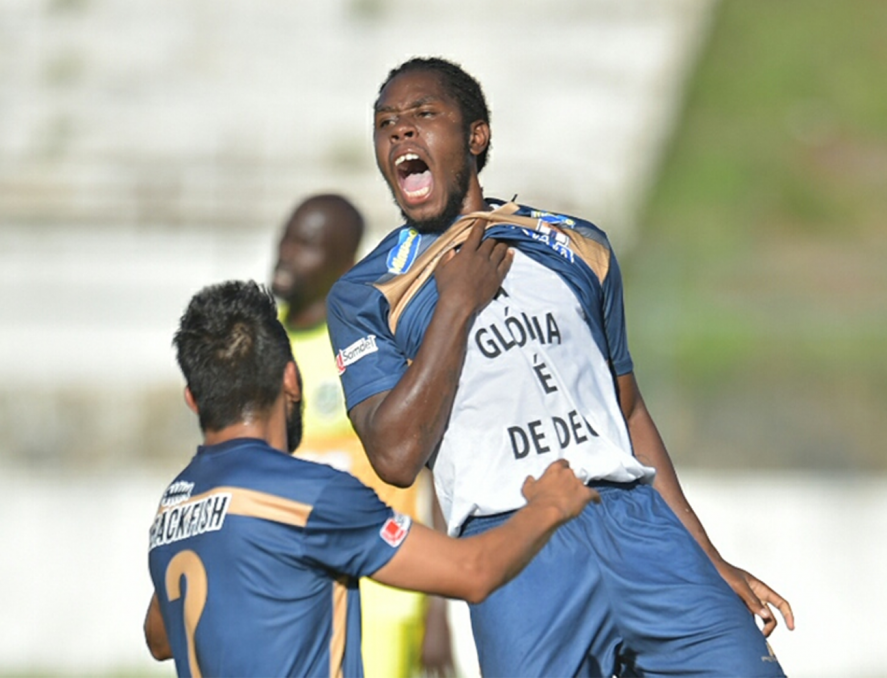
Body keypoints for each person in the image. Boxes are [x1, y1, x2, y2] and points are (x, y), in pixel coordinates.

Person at [325, 57, 796, 677]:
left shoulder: (576, 244)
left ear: (476, 136)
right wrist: (457, 305)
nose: (401, 132)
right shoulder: (368, 291)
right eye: (386, 122)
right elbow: (395, 455)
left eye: (423, 115)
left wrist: (707, 556)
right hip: (519, 545)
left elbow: (627, 411)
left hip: (637, 525)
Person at [143, 279, 598, 678]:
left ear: (192, 398)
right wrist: (551, 503)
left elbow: (160, 639)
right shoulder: (310, 497)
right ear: (291, 380)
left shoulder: (174, 508)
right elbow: (473, 571)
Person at [270, 193, 453, 678]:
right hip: (290, 591)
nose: (286, 252)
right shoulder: (264, 352)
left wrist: (438, 610)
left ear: (345, 264)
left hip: (381, 592)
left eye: (306, 244)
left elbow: (431, 477)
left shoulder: (371, 350)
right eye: (287, 236)